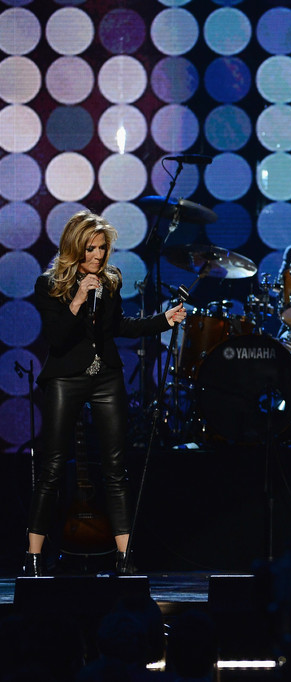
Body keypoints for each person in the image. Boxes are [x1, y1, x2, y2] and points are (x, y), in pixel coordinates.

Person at [24, 210, 187, 576]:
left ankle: (125, 558)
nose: (98, 256)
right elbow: (58, 337)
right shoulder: (49, 284)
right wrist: (78, 298)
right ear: (75, 248)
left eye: (103, 248)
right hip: (66, 378)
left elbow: (119, 327)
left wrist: (163, 320)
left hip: (105, 379)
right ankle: (33, 557)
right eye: (92, 249)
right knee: (51, 468)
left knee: (115, 469)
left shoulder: (111, 280)